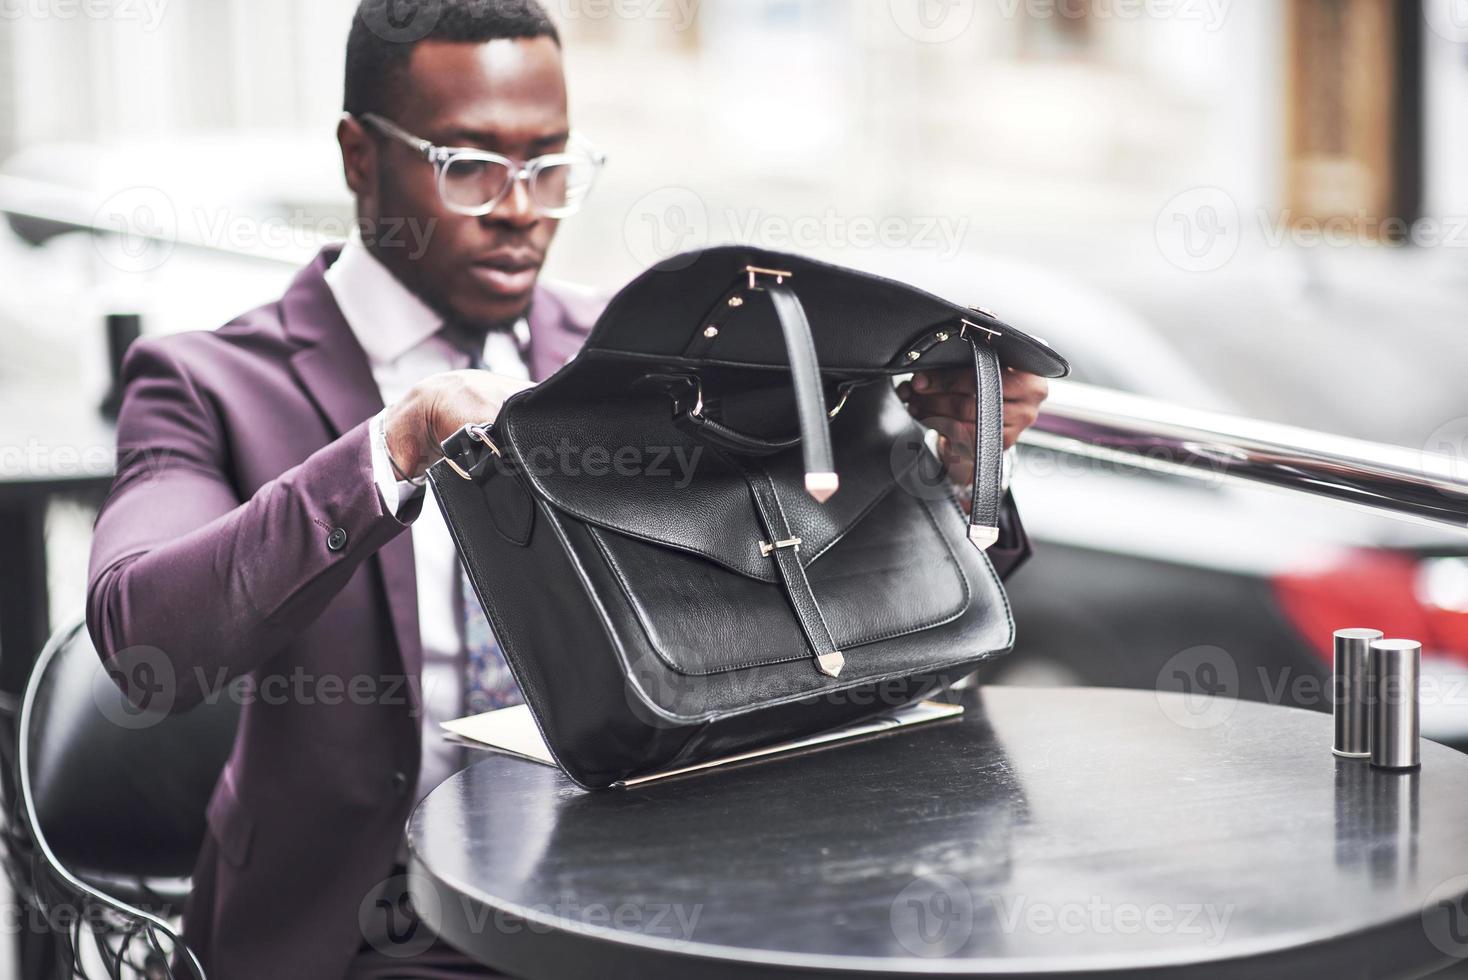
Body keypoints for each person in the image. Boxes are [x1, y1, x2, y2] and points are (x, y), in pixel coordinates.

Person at [85, 1, 1050, 976]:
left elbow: (801, 606)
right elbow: (145, 641)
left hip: (635, 891)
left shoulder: (628, 357)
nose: (521, 205)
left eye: (549, 163)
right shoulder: (206, 380)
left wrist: (959, 463)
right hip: (367, 923)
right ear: (357, 157)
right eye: (469, 164)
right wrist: (390, 443)